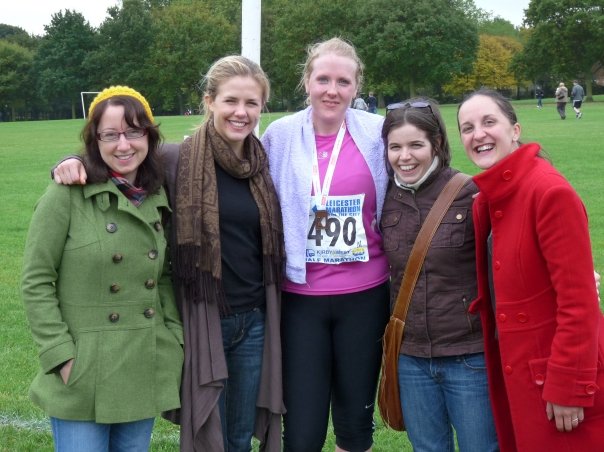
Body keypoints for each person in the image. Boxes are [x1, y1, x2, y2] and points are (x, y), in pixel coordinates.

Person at [51, 56, 285, 452]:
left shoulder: (262, 165)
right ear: (209, 101)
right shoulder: (176, 160)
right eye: (230, 101)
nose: (240, 112)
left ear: (262, 106)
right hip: (204, 316)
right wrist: (71, 161)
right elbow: (120, 157)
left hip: (255, 320)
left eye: (251, 103)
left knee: (239, 434)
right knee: (208, 430)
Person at [21, 86, 184, 451]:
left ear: (149, 136)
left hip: (142, 359)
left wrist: (172, 336)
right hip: (83, 369)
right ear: (94, 141)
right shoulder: (66, 194)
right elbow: (36, 280)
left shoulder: (156, 196)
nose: (123, 145)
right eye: (110, 135)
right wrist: (60, 355)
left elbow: (164, 276)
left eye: (133, 132)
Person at [261, 37, 390, 452]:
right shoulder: (280, 135)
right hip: (300, 299)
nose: (332, 90)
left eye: (343, 81)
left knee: (355, 426)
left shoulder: (378, 133)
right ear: (307, 82)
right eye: (323, 79)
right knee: (302, 431)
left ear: (356, 86)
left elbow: (422, 173)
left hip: (366, 296)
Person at [457, 88, 604, 451]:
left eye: (489, 122)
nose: (478, 134)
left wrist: (569, 385)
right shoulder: (489, 198)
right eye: (467, 128)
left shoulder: (548, 192)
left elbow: (580, 303)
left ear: (515, 130)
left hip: (555, 383)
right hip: (520, 373)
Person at [380, 98, 498, 452]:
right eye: (395, 147)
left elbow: (511, 254)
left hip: (468, 356)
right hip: (411, 357)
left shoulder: (471, 193)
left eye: (416, 145)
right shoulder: (383, 197)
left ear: (437, 144)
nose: (405, 157)